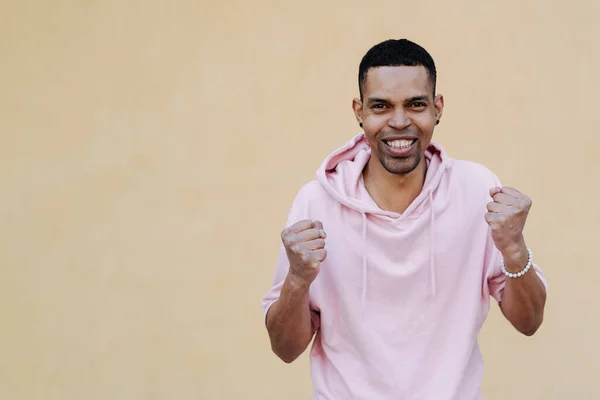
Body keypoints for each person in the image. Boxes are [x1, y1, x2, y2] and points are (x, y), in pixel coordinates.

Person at [260, 38, 548, 400]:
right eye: (381, 106)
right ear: (359, 111)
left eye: (415, 105)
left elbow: (529, 322)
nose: (399, 122)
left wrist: (515, 250)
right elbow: (285, 349)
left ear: (437, 108)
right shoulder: (316, 202)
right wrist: (298, 279)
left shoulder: (477, 190)